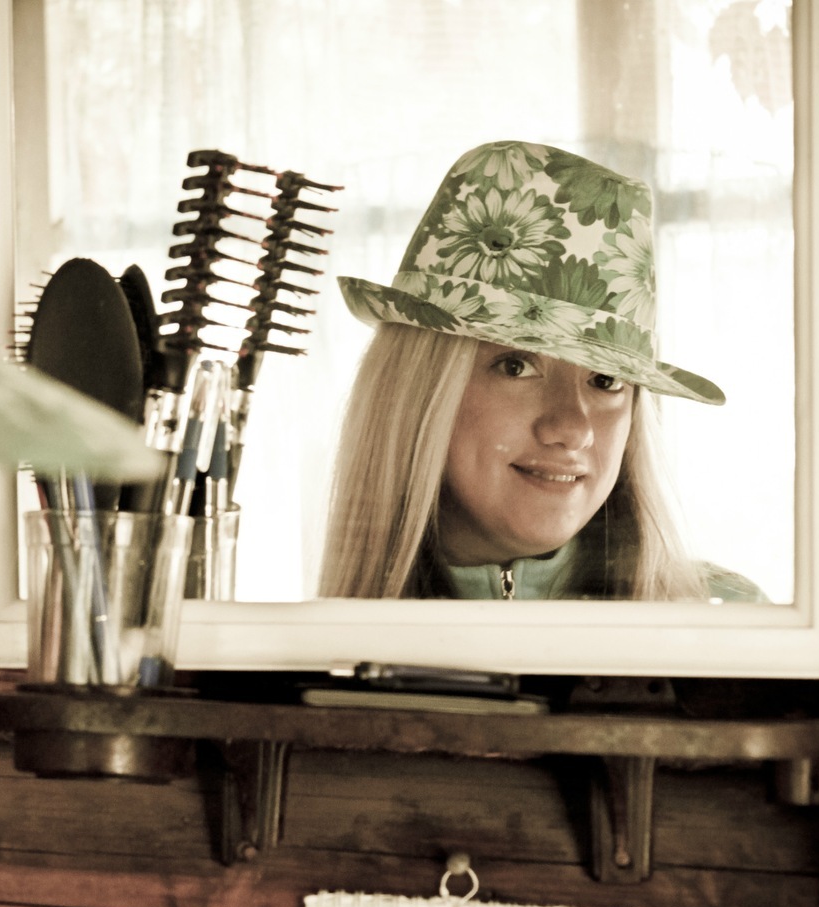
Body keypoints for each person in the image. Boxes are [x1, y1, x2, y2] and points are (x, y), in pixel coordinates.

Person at [319, 139, 764, 601]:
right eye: (516, 366)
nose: (573, 429)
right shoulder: (310, 640)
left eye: (606, 380)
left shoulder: (730, 622)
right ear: (415, 392)